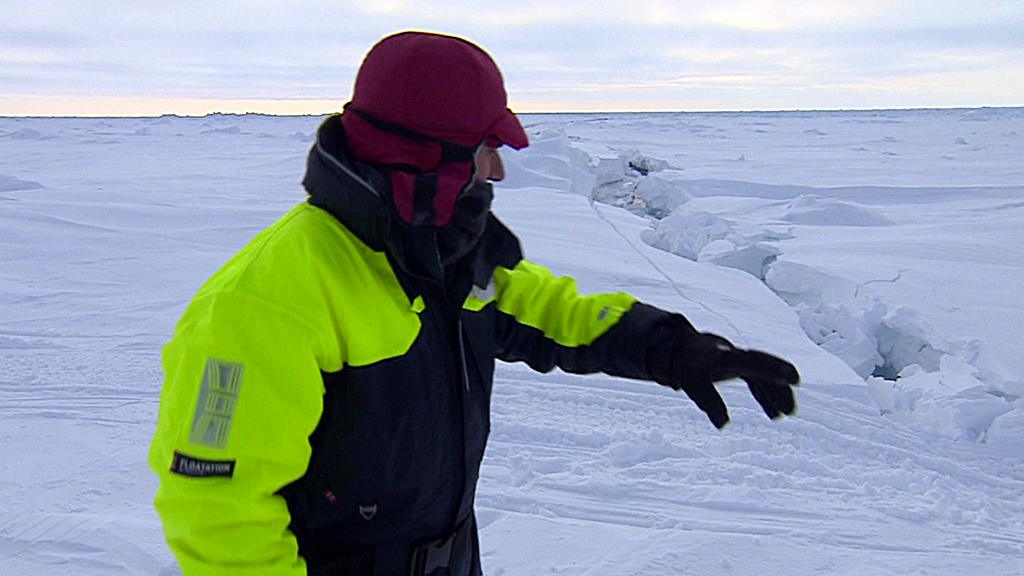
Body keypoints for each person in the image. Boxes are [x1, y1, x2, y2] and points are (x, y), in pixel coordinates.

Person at [149, 31, 800, 576]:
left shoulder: (445, 251)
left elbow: (544, 309)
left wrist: (669, 348)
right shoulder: (263, 302)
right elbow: (216, 510)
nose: (497, 171)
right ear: (421, 161)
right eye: (483, 151)